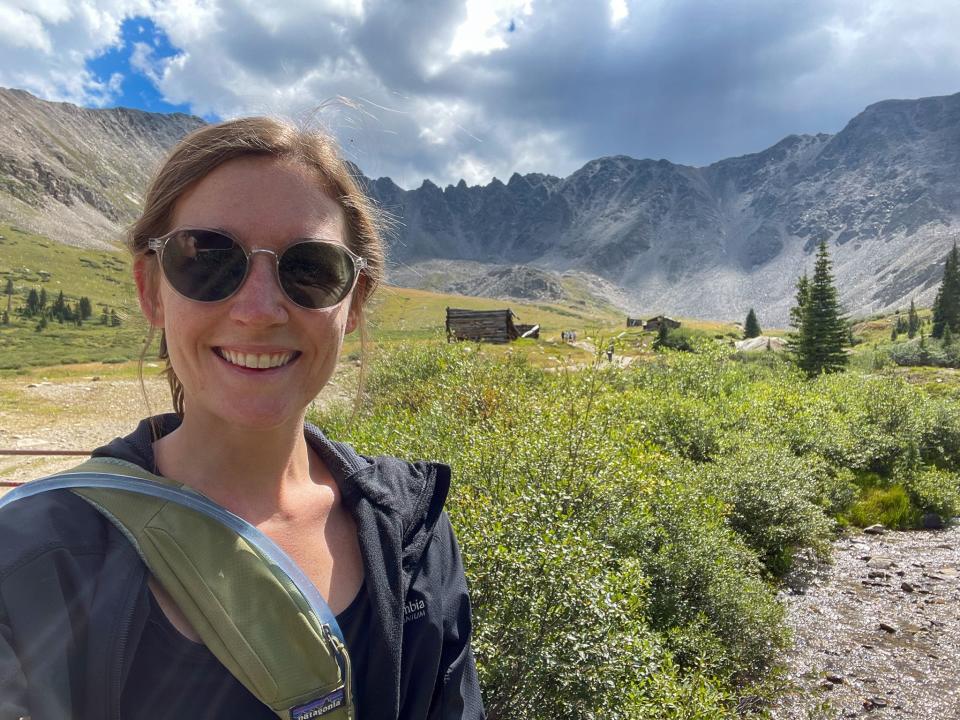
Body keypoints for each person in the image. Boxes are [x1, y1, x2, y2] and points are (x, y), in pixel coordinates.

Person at [0, 117, 484, 719]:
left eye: (310, 268)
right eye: (206, 260)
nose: (259, 310)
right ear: (151, 289)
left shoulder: (414, 532)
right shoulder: (28, 558)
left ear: (353, 303)